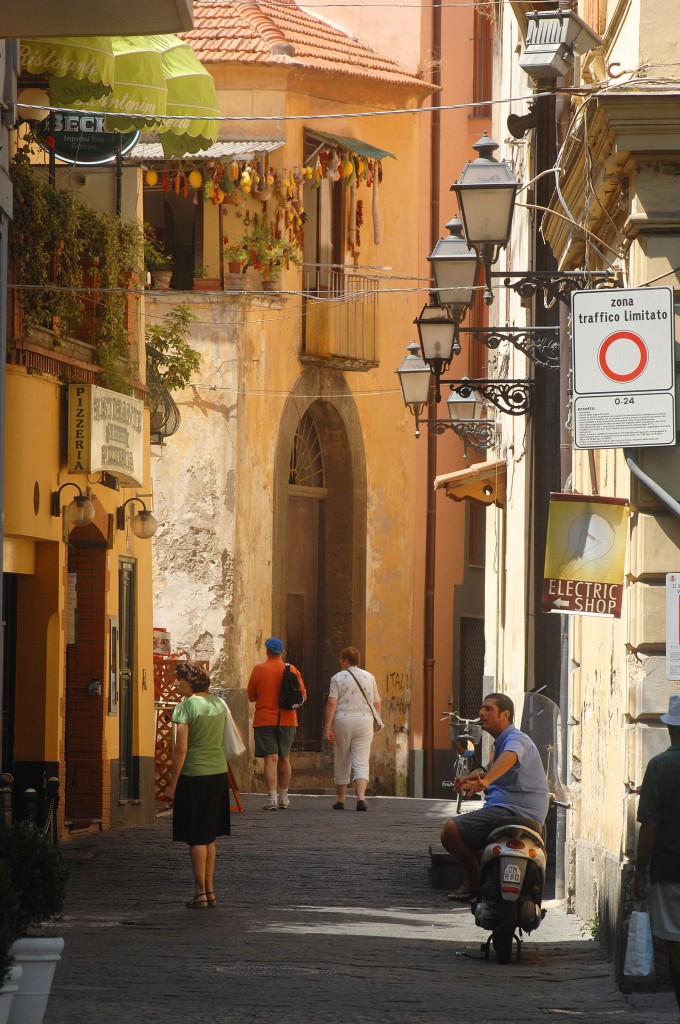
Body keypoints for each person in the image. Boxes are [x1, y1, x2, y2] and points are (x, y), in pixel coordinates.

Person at [441, 692, 550, 902]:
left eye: (488, 708)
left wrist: (486, 780)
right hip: (511, 809)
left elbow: (511, 756)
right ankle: (488, 880)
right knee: (460, 837)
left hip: (514, 811)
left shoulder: (515, 739)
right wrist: (472, 779)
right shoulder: (502, 742)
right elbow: (501, 772)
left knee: (451, 830)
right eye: (481, 708)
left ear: (505, 714)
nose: (481, 713)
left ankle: (475, 881)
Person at [165, 661, 230, 909]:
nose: (177, 684)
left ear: (190, 681)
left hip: (194, 775)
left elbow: (181, 748)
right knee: (209, 836)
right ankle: (210, 891)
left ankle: (200, 892)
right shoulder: (218, 704)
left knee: (196, 837)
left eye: (180, 680)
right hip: (218, 773)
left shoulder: (186, 707)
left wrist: (172, 783)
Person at [633, 693, 680, 1013]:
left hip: (670, 869)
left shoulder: (660, 766)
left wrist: (639, 872)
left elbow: (649, 826)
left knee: (676, 944)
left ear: (670, 729)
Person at [247, 638, 306, 810]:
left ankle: (272, 798)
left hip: (265, 719)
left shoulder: (259, 669)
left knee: (270, 759)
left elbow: (251, 696)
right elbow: (302, 696)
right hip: (288, 719)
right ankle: (284, 797)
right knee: (284, 758)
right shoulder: (292, 669)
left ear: (267, 651)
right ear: (281, 652)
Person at [324, 646, 382, 812]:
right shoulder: (370, 677)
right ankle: (361, 799)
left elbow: (332, 702)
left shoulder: (337, 678)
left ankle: (341, 799)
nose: (340, 663)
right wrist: (373, 719)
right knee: (362, 760)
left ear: (346, 661)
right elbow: (377, 702)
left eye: (341, 660)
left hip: (343, 720)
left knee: (342, 757)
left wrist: (328, 725)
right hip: (364, 721)